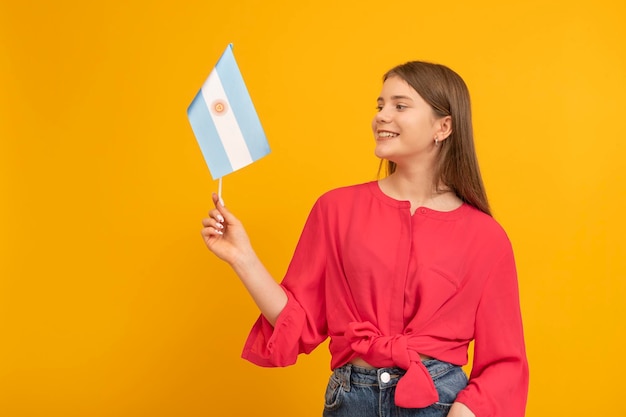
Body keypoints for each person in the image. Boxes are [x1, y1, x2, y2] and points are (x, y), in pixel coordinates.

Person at [201, 61, 529, 417]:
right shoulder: (336, 209)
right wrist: (242, 257)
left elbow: (505, 361)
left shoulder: (485, 236)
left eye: (399, 106)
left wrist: (463, 412)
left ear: (443, 126)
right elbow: (300, 321)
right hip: (350, 400)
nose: (382, 117)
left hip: (439, 402)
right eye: (380, 105)